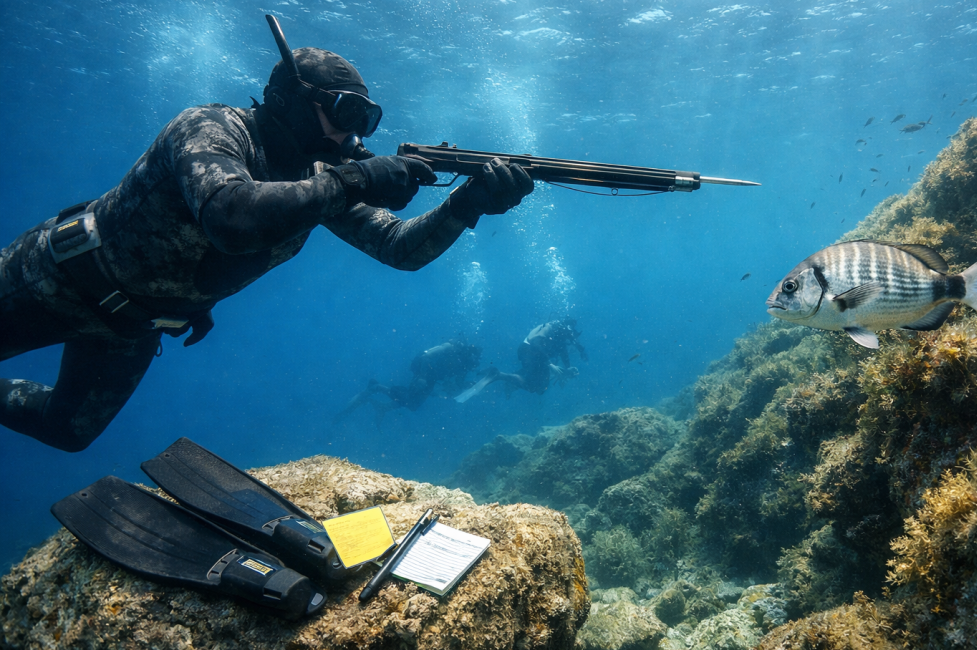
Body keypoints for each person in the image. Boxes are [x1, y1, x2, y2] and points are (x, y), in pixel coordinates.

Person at [0, 21, 533, 452]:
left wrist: (465, 206)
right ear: (292, 101)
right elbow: (232, 217)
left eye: (365, 121)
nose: (353, 137)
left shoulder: (318, 173)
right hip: (56, 276)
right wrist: (359, 178)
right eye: (345, 114)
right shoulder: (211, 126)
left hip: (130, 326)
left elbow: (398, 248)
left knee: (66, 432)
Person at [334, 339, 481, 422]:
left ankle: (383, 407)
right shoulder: (450, 348)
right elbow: (425, 356)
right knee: (410, 399)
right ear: (468, 354)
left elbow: (459, 383)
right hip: (424, 370)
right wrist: (422, 376)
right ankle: (376, 387)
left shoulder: (464, 367)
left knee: (414, 405)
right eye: (471, 361)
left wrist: (470, 385)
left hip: (432, 378)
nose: (470, 366)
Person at [490, 319, 588, 395]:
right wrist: (550, 364)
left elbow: (563, 353)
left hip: (536, 356)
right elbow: (535, 343)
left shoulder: (560, 337)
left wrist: (567, 369)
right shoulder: (549, 327)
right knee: (535, 387)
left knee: (539, 388)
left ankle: (508, 378)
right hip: (528, 351)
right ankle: (499, 375)